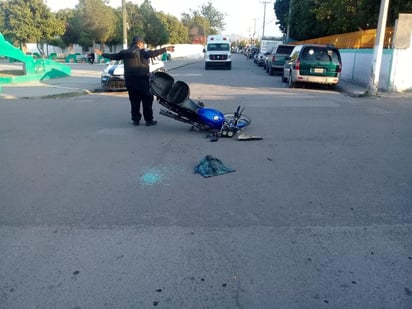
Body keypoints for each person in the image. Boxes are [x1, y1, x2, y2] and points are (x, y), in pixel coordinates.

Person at [95, 36, 175, 126]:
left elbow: (114, 57)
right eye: (143, 43)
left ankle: (136, 120)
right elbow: (153, 53)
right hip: (142, 81)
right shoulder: (142, 51)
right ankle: (148, 120)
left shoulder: (124, 52)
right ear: (139, 43)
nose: (143, 45)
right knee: (147, 100)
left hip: (130, 82)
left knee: (134, 101)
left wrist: (102, 54)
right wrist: (166, 49)